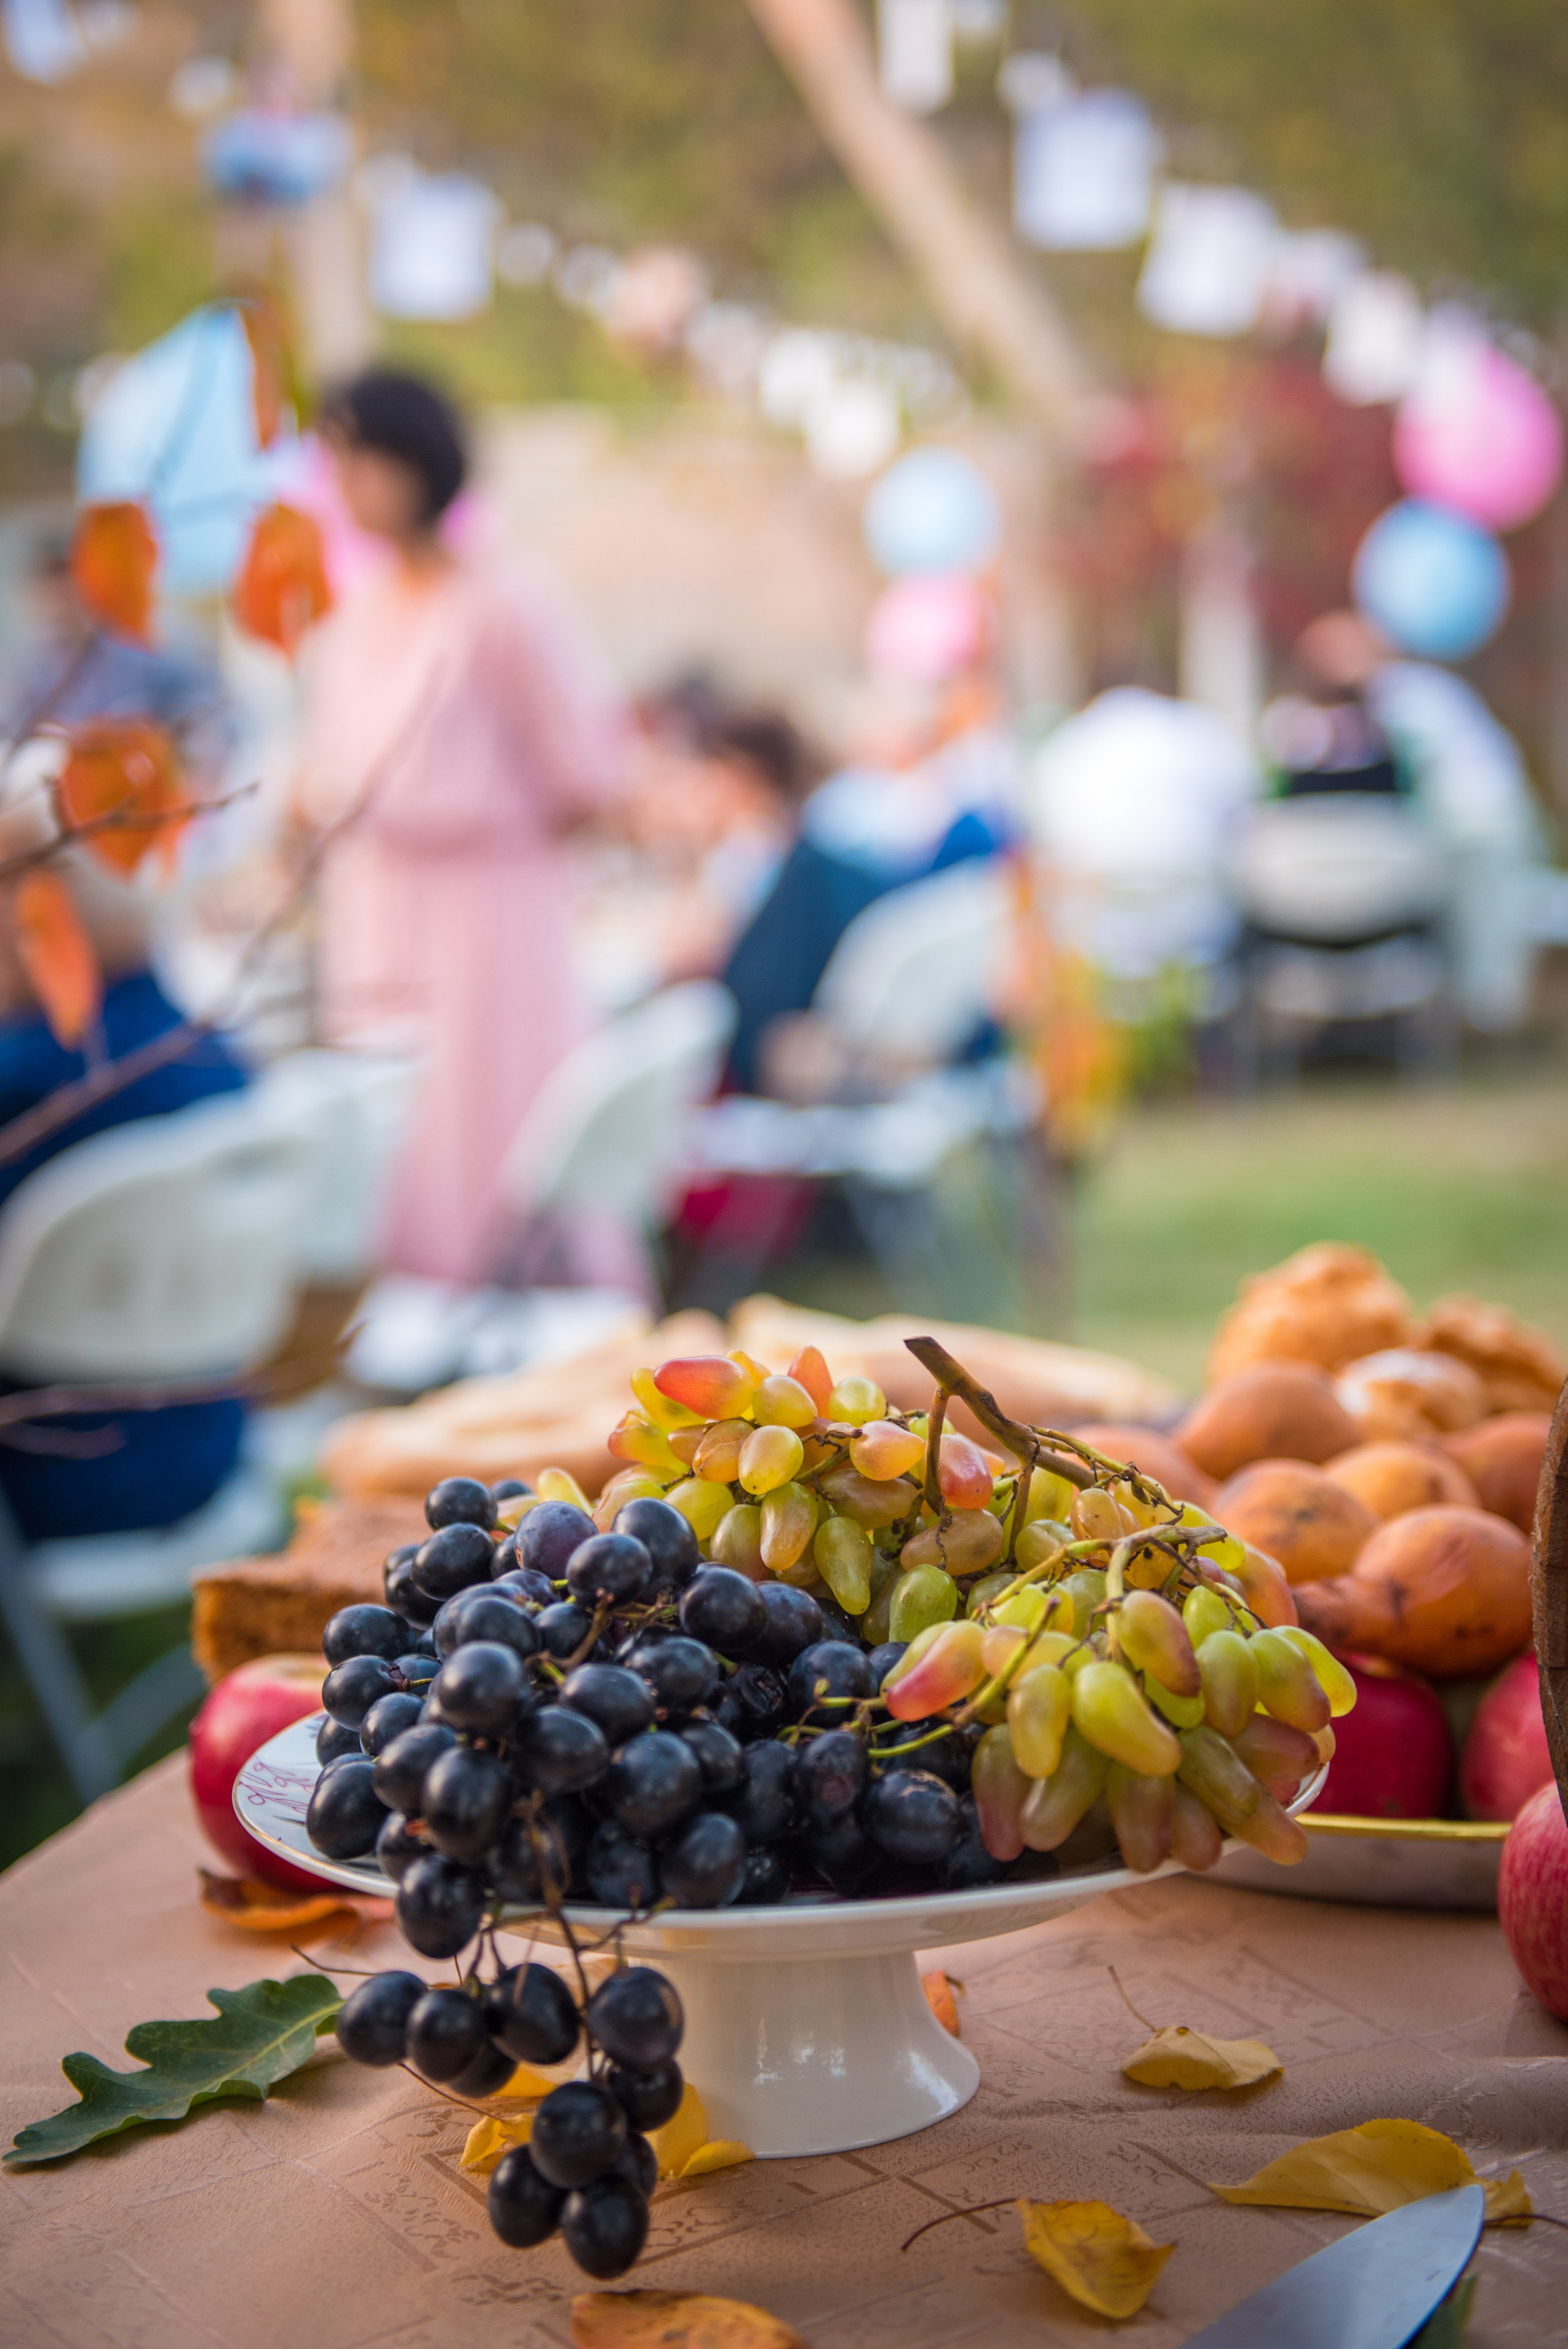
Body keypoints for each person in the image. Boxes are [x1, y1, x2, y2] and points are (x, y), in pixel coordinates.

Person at [293, 369, 624, 1284]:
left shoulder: (506, 601)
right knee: (396, 1138)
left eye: (365, 458)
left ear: (416, 461)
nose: (349, 482)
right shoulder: (355, 613)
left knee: (492, 1125)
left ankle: (515, 1322)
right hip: (375, 910)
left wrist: (471, 816)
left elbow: (590, 776)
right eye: (338, 461)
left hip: (488, 915)